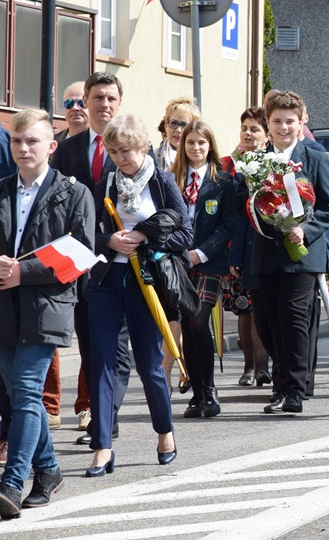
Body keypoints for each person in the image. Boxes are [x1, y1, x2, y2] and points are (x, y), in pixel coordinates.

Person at [0, 110, 94, 518]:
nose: (23, 148)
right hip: (5, 308)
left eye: (32, 141)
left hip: (47, 307)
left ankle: (11, 482)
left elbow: (81, 254)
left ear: (51, 146)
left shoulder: (74, 193)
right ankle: (50, 469)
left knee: (24, 389)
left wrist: (25, 272)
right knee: (20, 394)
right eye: (17, 141)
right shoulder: (2, 189)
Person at [88, 113, 191, 476]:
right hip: (106, 280)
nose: (121, 158)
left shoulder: (162, 181)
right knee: (102, 362)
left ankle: (164, 432)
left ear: (144, 147)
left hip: (145, 279)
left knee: (149, 364)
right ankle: (102, 446)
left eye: (127, 151)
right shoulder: (105, 183)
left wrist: (144, 237)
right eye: (114, 152)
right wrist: (109, 240)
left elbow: (185, 233)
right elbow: (85, 234)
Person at [50, 71, 129, 448]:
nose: (104, 105)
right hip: (79, 263)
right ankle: (99, 412)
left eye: (111, 98)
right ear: (87, 101)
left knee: (114, 346)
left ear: (119, 103)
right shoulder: (67, 150)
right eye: (97, 97)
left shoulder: (133, 147)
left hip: (121, 263)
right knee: (89, 344)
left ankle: (105, 418)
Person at [248, 91, 329, 415]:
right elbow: (249, 205)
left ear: (301, 123)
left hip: (303, 255)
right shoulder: (257, 160)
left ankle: (294, 390)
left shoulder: (314, 157)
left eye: (289, 121)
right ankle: (281, 385)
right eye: (277, 121)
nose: (283, 127)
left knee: (293, 319)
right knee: (270, 323)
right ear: (268, 123)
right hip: (267, 253)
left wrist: (306, 230)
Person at [171, 122, 237, 419]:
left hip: (208, 262)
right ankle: (196, 393)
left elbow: (227, 226)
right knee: (187, 324)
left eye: (201, 142)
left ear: (210, 146)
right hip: (176, 261)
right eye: (190, 142)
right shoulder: (171, 179)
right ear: (183, 146)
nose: (196, 148)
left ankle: (209, 390)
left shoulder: (222, 182)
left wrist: (199, 254)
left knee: (198, 320)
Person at [154, 96, 200, 394]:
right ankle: (176, 366)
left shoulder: (198, 158)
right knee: (170, 311)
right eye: (173, 123)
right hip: (159, 245)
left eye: (184, 124)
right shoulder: (152, 157)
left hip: (189, 247)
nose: (177, 130)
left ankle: (169, 371)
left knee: (179, 311)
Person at [222, 107, 271, 387]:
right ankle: (249, 367)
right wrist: (233, 254)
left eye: (255, 129)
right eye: (244, 128)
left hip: (263, 246)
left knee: (262, 311)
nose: (248, 134)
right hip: (238, 246)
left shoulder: (272, 163)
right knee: (244, 309)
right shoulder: (230, 164)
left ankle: (263, 367)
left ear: (266, 135)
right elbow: (237, 216)